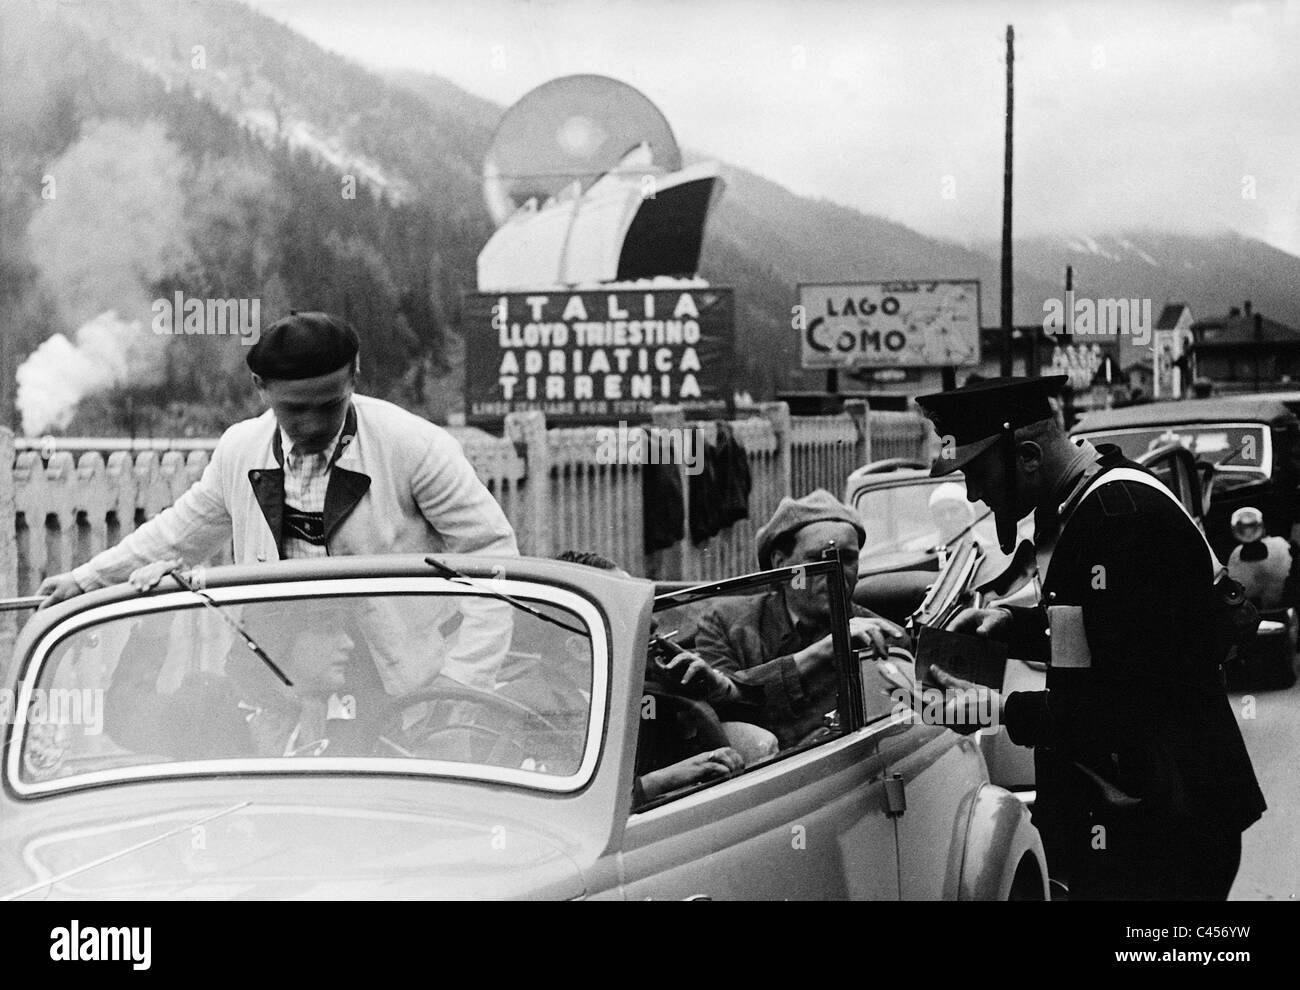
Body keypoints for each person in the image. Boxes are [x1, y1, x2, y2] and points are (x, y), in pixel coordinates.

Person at [915, 375, 1266, 900]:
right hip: (1155, 812)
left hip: (1162, 827)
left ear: (1029, 455)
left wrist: (997, 708)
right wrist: (1014, 628)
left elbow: (1121, 705)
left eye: (977, 474)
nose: (974, 494)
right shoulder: (1100, 493)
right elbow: (1106, 637)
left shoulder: (1115, 518)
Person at [39, 311, 519, 692]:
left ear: (355, 375)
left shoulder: (416, 446)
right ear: (260, 388)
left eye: (329, 406)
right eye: (293, 409)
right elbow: (178, 535)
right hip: (284, 676)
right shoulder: (239, 449)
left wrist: (462, 682)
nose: (311, 426)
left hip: (401, 680)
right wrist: (84, 580)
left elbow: (492, 557)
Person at [693, 489, 909, 749]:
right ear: (781, 566)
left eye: (848, 558)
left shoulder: (882, 638)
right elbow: (718, 707)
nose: (836, 572)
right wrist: (824, 651)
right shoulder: (725, 624)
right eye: (819, 559)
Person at [105, 599, 395, 759]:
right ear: (281, 637)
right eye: (329, 629)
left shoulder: (372, 716)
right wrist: (156, 622)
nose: (348, 643)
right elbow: (125, 717)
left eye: (346, 630)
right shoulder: (206, 708)